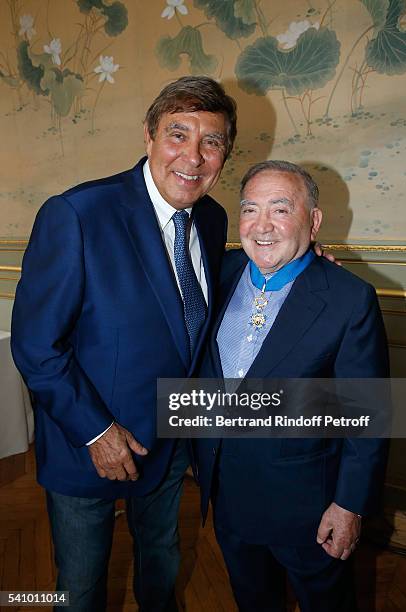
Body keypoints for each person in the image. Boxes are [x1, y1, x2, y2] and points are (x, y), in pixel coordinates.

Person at [11, 76, 236, 612]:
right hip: (87, 446)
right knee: (80, 589)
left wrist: (303, 261)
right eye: (178, 134)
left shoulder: (213, 218)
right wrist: (96, 433)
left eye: (213, 142)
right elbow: (36, 345)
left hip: (168, 442)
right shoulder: (78, 214)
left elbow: (199, 299)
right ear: (149, 136)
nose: (194, 156)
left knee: (162, 568)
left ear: (225, 153)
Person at [194, 160, 389, 612]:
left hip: (309, 509)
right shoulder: (217, 273)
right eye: (249, 209)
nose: (261, 225)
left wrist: (349, 506)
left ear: (313, 220)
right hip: (228, 497)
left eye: (280, 209)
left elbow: (369, 413)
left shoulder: (347, 298)